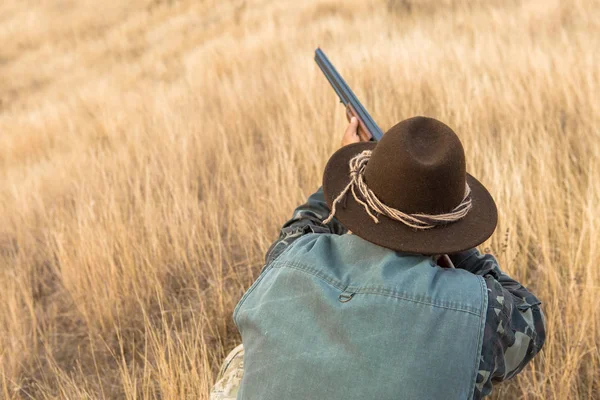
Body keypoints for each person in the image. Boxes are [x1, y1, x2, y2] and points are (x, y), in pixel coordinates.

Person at [210, 114, 546, 400]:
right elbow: (532, 323)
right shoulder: (478, 309)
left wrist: (348, 159)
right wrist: (453, 239)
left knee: (242, 359)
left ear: (358, 197)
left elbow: (304, 223)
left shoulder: (289, 259)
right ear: (452, 225)